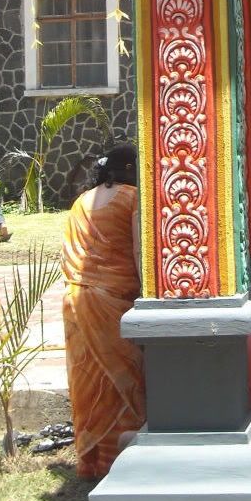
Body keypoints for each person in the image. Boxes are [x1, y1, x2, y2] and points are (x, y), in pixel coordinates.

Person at [61, 143, 144, 480]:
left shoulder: (80, 203)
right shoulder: (134, 198)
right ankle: (120, 462)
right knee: (124, 383)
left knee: (89, 384)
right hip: (113, 304)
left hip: (75, 303)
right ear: (130, 169)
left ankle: (92, 461)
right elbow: (140, 253)